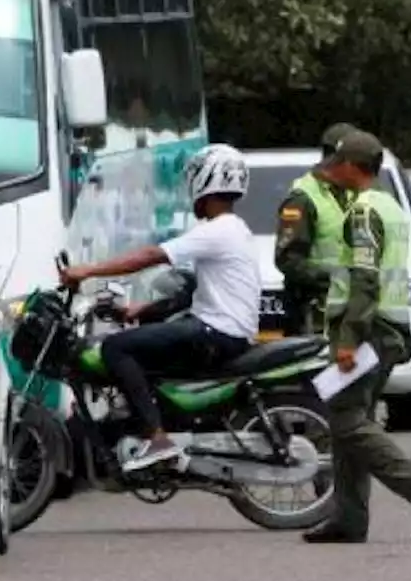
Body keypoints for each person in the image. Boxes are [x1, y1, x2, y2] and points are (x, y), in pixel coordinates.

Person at [59, 143, 261, 472]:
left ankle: (157, 438)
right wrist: (143, 310)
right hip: (219, 330)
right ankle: (151, 427)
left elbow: (150, 256)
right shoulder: (232, 230)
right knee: (144, 343)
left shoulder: (217, 231)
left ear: (205, 182)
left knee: (116, 347)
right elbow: (191, 291)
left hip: (214, 334)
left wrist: (88, 270)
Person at [303, 129, 411, 544]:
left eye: (337, 165)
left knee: (345, 419)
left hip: (369, 329)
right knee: (353, 419)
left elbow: (365, 280)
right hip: (386, 325)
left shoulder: (364, 212)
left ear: (353, 167)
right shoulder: (389, 208)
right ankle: (349, 518)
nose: (332, 173)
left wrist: (348, 338)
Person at [275, 122, 355, 336]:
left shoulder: (348, 194)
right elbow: (288, 259)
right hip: (313, 317)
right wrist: (335, 278)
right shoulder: (303, 198)